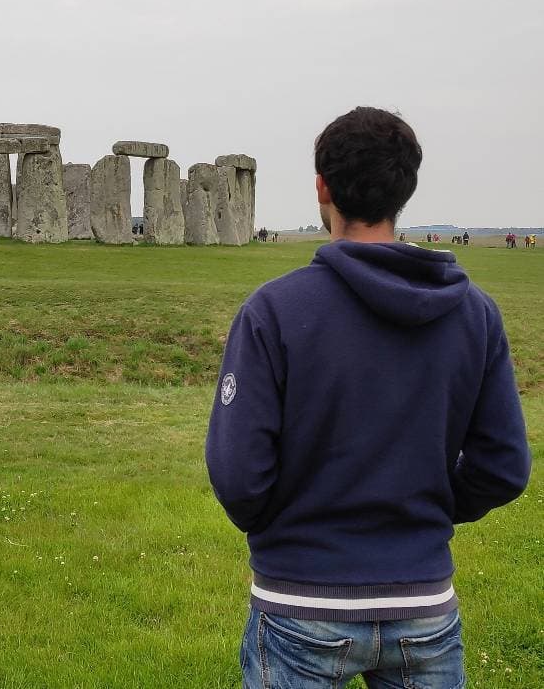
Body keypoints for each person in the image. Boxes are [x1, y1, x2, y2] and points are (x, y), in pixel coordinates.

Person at [206, 106, 530, 689]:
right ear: (404, 190)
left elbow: (238, 474)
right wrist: (429, 504)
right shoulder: (474, 315)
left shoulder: (274, 312)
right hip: (422, 599)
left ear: (321, 187)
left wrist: (291, 523)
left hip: (300, 598)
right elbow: (503, 467)